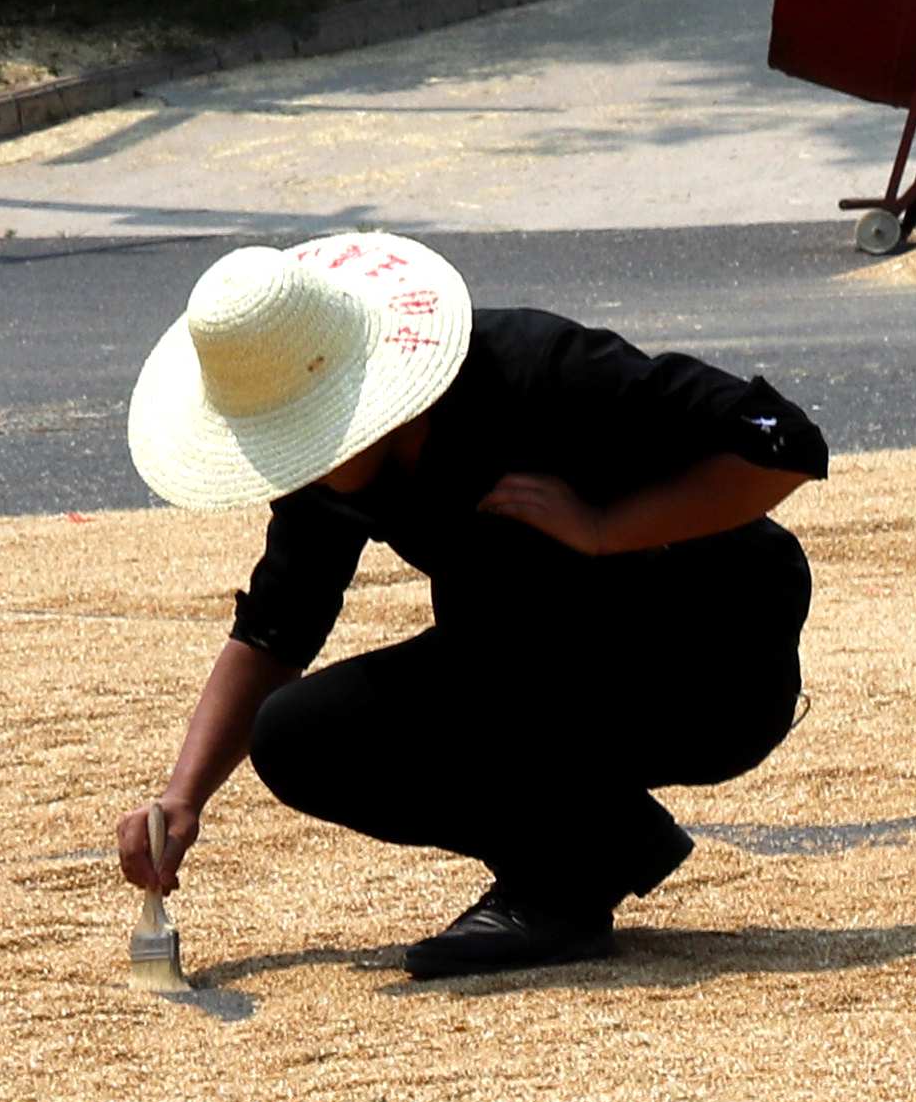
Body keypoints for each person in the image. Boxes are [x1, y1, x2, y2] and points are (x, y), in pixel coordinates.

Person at [111, 233, 827, 978]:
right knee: (298, 737)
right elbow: (276, 628)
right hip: (531, 661)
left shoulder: (536, 370)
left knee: (515, 590)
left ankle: (568, 873)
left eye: (310, 430)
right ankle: (580, 865)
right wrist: (182, 798)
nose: (301, 460)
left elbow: (784, 443)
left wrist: (607, 529)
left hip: (709, 664)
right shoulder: (320, 480)